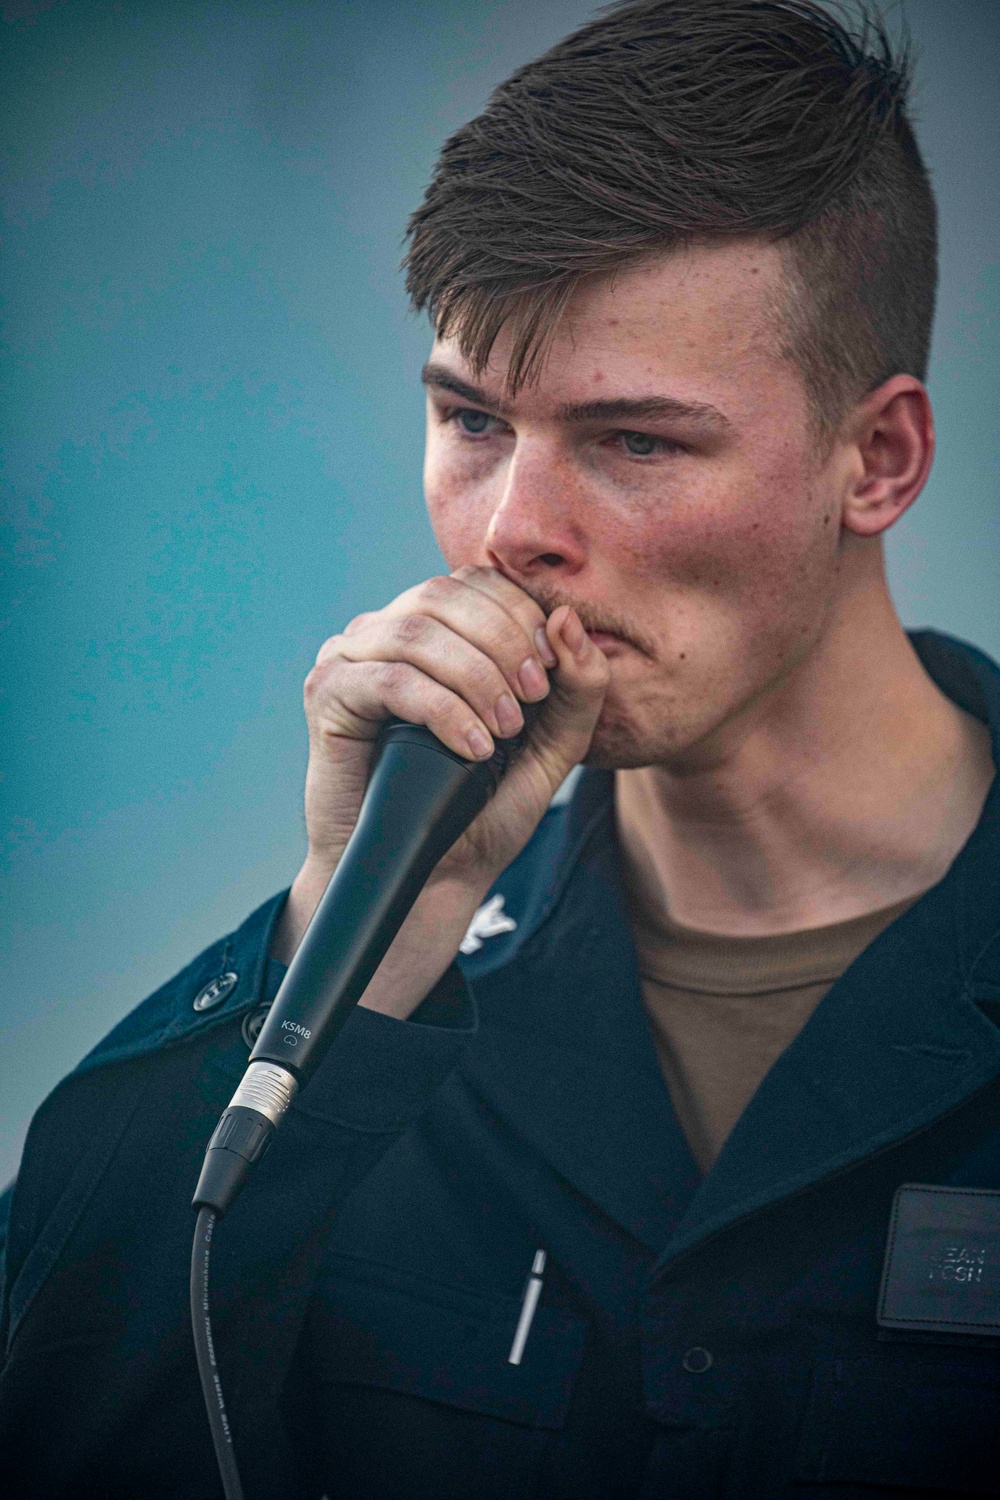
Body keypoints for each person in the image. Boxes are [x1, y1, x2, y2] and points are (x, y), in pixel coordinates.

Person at [2, 1, 998, 1495]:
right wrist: (353, 912)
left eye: (635, 442)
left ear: (881, 459)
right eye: (472, 421)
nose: (512, 534)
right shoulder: (396, 984)